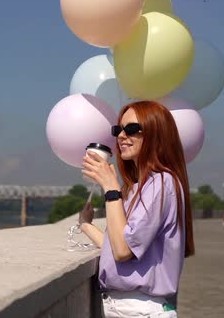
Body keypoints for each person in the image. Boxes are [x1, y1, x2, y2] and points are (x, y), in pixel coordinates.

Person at [80, 100, 195, 317]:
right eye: (118, 130)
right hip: (127, 308)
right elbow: (115, 245)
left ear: (156, 133)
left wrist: (111, 188)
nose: (122, 136)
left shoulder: (162, 182)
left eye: (131, 129)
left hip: (140, 309)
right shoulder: (138, 188)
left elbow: (123, 251)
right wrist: (85, 225)